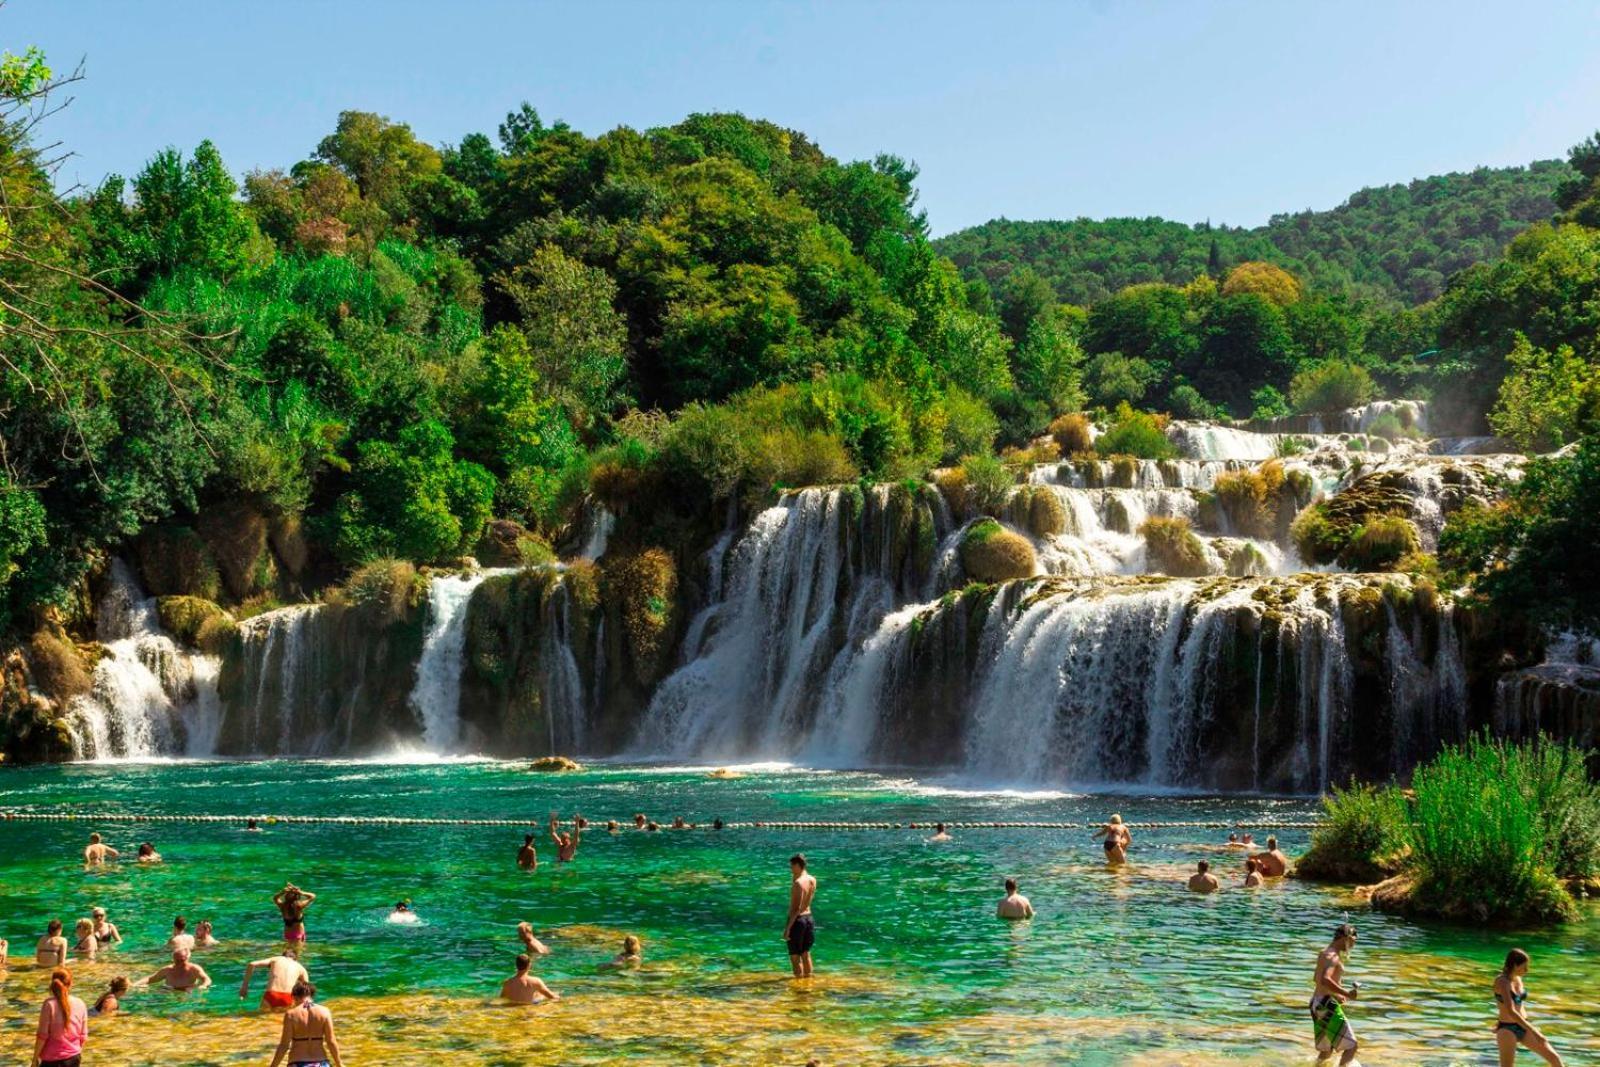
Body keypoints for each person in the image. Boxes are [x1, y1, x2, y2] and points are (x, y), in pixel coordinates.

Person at [1494, 948, 1564, 1066]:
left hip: (1523, 1025)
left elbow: (1519, 1004)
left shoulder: (1518, 979)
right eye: (1524, 966)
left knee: (1555, 1059)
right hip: (1507, 1029)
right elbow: (1511, 1010)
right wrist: (1535, 1032)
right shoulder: (1502, 981)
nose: (1527, 970)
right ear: (1515, 965)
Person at [1309, 923, 1360, 1066]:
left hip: (1316, 1003)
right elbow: (1325, 979)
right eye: (1353, 942)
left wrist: (1336, 995)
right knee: (1352, 1046)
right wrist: (1347, 994)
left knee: (1327, 1050)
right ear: (1346, 938)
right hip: (1326, 1005)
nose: (1353, 946)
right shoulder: (1333, 956)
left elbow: (1316, 979)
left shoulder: (1325, 952)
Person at [269, 981, 344, 1067]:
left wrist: (273, 1066)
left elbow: (284, 1045)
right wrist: (339, 1063)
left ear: (294, 997)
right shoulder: (325, 1012)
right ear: (312, 995)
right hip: (321, 1062)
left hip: (297, 1062)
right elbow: (331, 1042)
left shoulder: (291, 1014)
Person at [32, 967, 87, 1067]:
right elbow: (83, 1036)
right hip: (74, 1058)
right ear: (70, 984)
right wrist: (75, 1052)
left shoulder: (49, 1004)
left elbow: (42, 1036)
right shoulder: (80, 1003)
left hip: (51, 1061)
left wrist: (34, 1059)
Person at [241, 949, 309, 1012]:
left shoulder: (277, 959)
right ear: (296, 959)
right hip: (288, 997)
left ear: (283, 955)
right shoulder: (301, 968)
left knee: (261, 1019)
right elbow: (306, 991)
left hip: (271, 994)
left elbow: (252, 964)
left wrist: (244, 986)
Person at [783, 853, 817, 978]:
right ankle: (808, 982)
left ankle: (798, 986)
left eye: (791, 866)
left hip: (798, 921)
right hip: (809, 919)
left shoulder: (798, 883)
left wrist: (787, 928)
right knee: (805, 953)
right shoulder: (812, 879)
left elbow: (796, 909)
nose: (790, 869)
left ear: (797, 865)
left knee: (795, 956)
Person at [136, 947, 213, 992]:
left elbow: (207, 979)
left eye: (181, 960)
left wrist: (203, 986)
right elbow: (150, 979)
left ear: (188, 958)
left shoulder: (194, 969)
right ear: (173, 959)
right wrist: (136, 984)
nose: (179, 963)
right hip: (169, 993)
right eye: (176, 960)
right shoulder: (168, 970)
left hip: (187, 993)